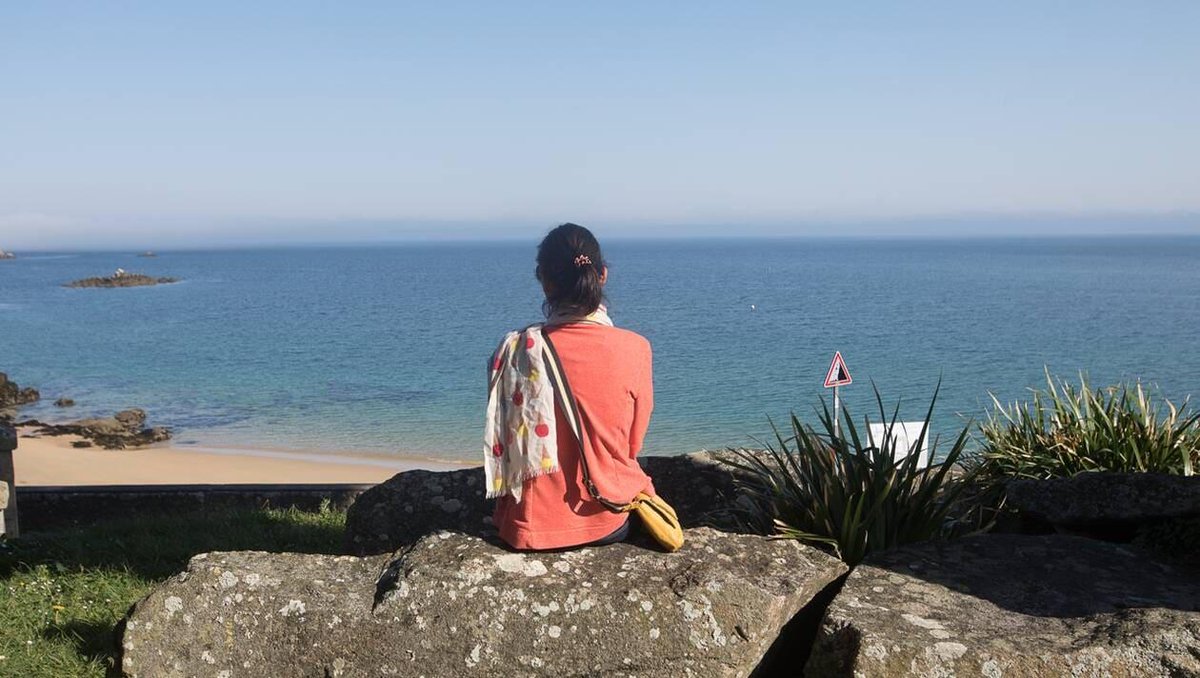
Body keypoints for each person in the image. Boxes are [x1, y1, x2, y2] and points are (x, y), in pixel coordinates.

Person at [485, 223, 656, 551]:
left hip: (526, 527)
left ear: (544, 280)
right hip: (607, 517)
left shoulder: (512, 351)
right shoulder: (636, 349)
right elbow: (632, 444)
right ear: (602, 275)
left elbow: (505, 438)